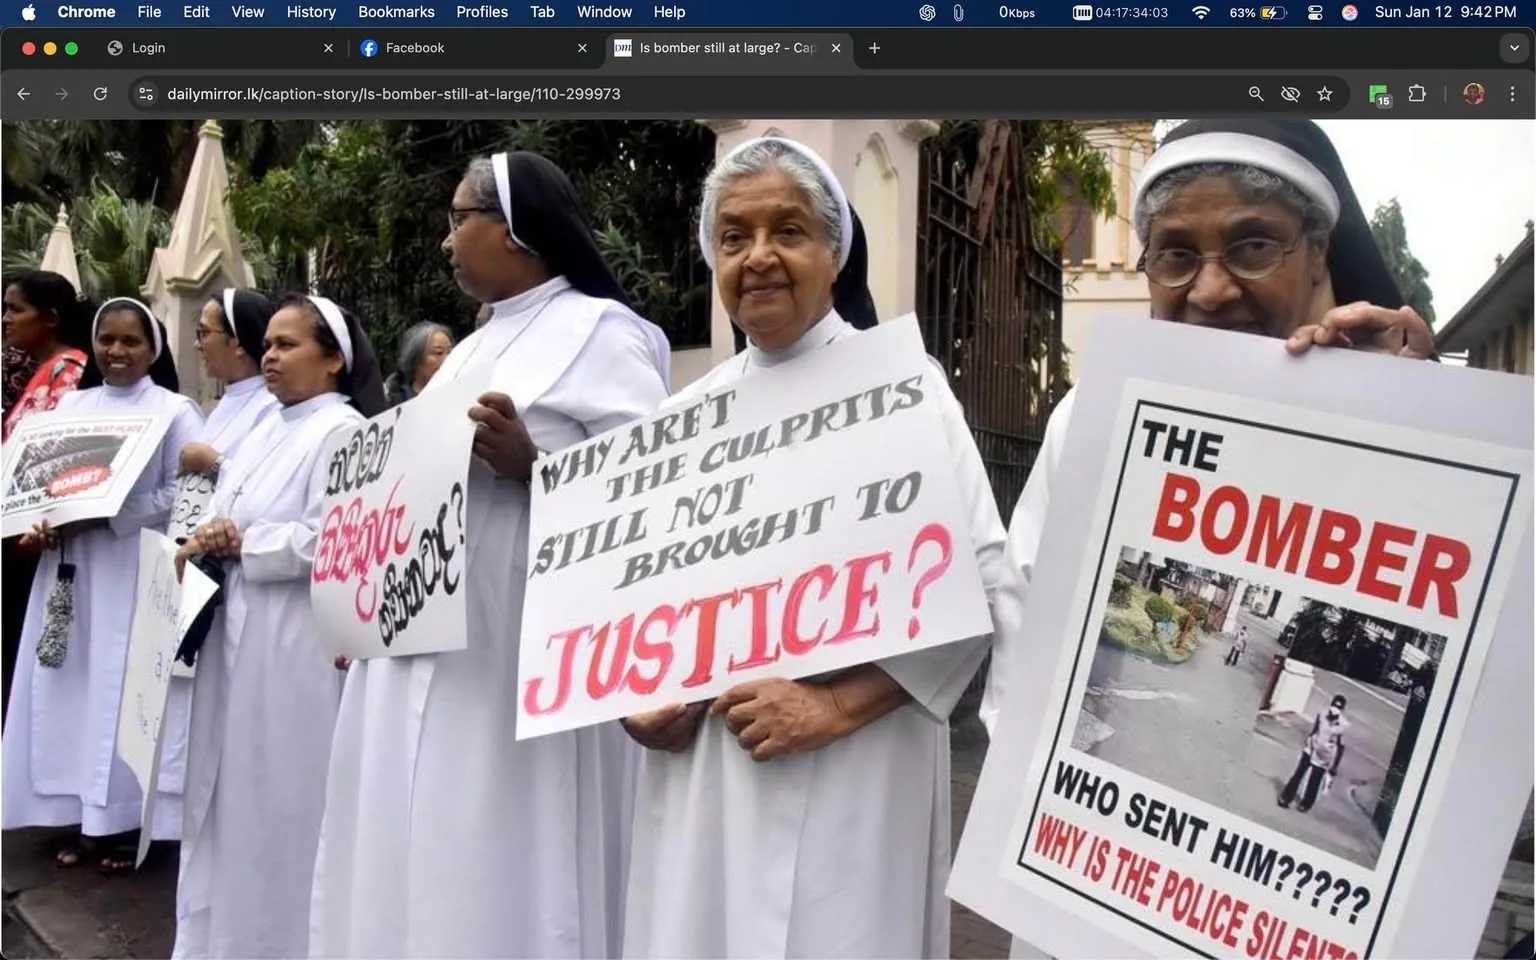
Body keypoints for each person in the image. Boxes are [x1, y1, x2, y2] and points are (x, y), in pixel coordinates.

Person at [978, 118, 1435, 958]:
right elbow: (1025, 635)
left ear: (1320, 253)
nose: (1211, 289)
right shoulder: (1092, 416)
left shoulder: (1413, 414)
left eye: (1253, 246)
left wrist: (1421, 434)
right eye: (1177, 254)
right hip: (1090, 898)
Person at [618, 136, 1006, 959]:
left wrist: (831, 707)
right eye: (734, 237)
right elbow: (630, 612)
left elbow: (979, 579)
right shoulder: (682, 423)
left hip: (856, 765)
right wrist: (636, 704)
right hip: (708, 777)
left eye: (787, 231)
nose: (758, 257)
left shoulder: (904, 387)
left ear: (834, 253)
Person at [311, 151, 671, 959]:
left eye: (457, 219)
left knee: (498, 839)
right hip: (415, 639)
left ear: (512, 230)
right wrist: (361, 597)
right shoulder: (472, 346)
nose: (446, 243)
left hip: (510, 651)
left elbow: (652, 501)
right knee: (417, 834)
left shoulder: (605, 331)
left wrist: (533, 467)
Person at [172, 294, 386, 960]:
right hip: (239, 633)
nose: (269, 355)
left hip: (294, 646)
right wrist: (212, 533)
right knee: (228, 799)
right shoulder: (268, 425)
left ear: (333, 360)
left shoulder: (343, 431)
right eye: (266, 344)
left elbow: (338, 540)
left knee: (284, 800)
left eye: (288, 344)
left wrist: (246, 544)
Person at [1, 297, 203, 873]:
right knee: (66, 687)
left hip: (131, 570)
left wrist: (113, 515)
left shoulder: (175, 412)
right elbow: (40, 485)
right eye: (107, 340)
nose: (116, 352)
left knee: (120, 691)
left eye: (130, 342)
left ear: (153, 349)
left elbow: (187, 492)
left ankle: (124, 823)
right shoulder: (71, 407)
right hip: (67, 570)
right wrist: (38, 523)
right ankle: (75, 815)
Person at [2, 271, 94, 726]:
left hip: (34, 539)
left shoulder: (69, 371)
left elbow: (61, 457)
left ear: (51, 318)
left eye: (15, 309)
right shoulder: (35, 371)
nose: (5, 319)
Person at [1278, 694, 1348, 812]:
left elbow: (1341, 747)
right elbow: (1315, 730)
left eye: (1338, 707)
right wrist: (1307, 743)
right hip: (1311, 748)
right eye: (1334, 705)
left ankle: (1306, 804)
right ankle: (1286, 797)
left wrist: (1335, 766)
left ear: (1342, 710)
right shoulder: (1322, 713)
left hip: (1324, 755)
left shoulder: (1343, 725)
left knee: (1314, 781)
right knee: (1298, 774)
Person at [383, 321, 454, 406]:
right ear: (416, 358)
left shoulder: (458, 394)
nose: (447, 358)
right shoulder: (391, 402)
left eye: (450, 352)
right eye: (438, 352)